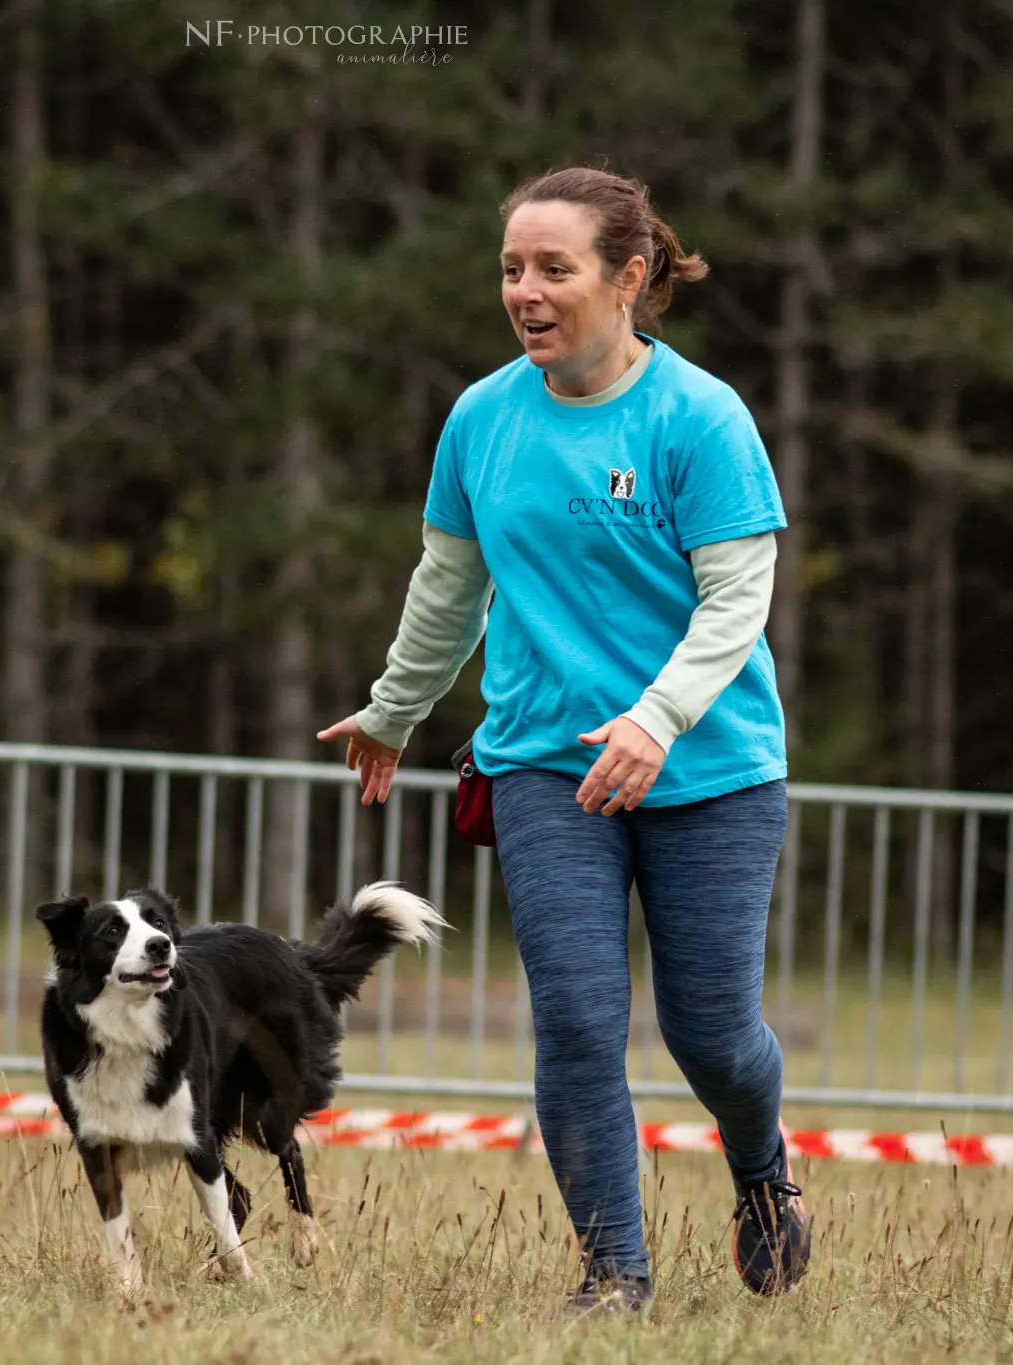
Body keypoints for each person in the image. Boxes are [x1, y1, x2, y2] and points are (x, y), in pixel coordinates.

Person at [317, 166, 809, 1315]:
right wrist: (395, 706)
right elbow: (448, 585)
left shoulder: (699, 418)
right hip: (540, 760)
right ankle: (612, 1275)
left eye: (552, 269)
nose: (523, 293)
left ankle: (760, 1173)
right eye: (508, 270)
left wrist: (654, 717)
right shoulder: (481, 418)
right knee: (578, 1017)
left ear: (627, 278)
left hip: (711, 767)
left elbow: (737, 599)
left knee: (711, 1032)